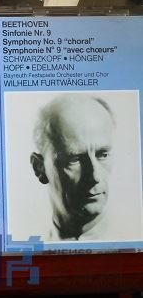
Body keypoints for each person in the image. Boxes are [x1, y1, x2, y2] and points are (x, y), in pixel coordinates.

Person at [30, 94, 116, 241]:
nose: (95, 177)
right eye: (74, 159)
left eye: (102, 155)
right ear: (40, 168)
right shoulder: (29, 248)